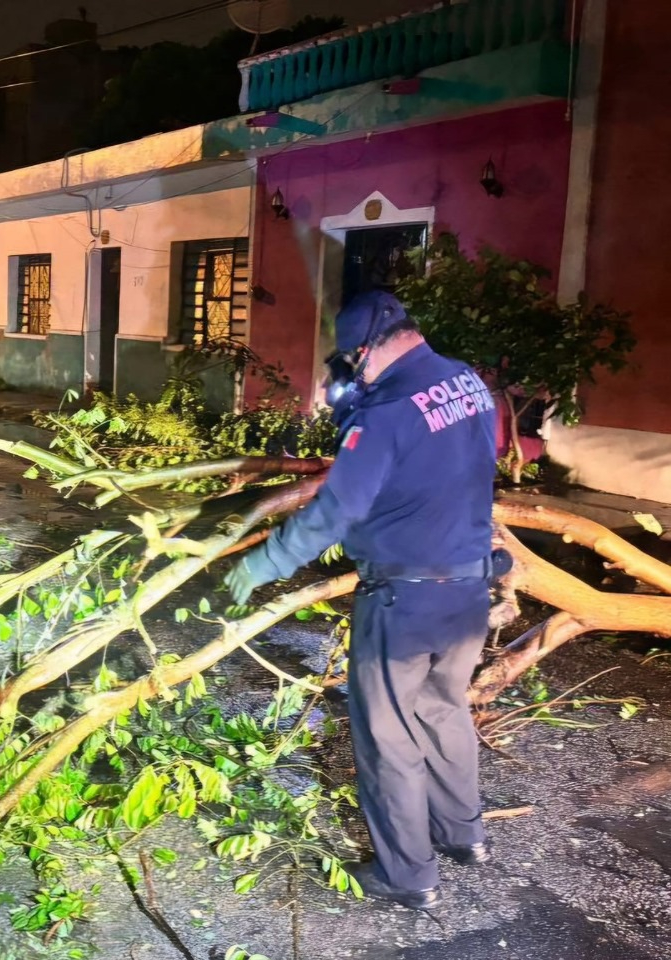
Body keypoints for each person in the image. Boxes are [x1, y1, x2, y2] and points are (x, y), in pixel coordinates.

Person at [224, 290, 498, 910]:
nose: (353, 372)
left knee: (389, 737)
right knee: (445, 710)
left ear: (369, 348)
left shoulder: (384, 412)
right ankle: (464, 837)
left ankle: (408, 876)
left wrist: (267, 561)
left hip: (405, 600)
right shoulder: (468, 383)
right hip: (468, 588)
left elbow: (337, 510)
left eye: (353, 360)